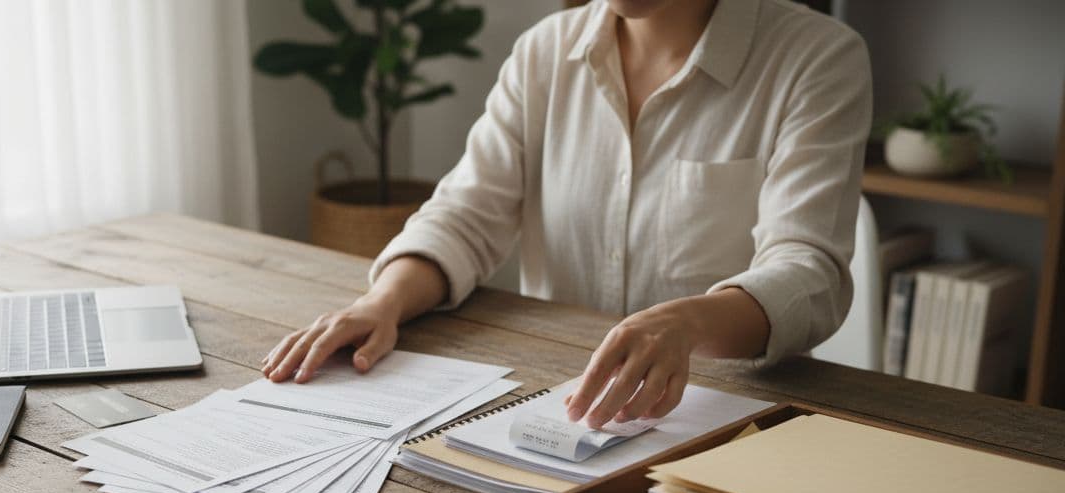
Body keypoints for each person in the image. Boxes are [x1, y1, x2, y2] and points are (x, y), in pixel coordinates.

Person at [261, 0, 871, 429]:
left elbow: (808, 268)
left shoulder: (816, 58)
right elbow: (467, 211)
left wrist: (687, 323)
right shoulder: (545, 51)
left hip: (731, 423)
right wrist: (384, 302)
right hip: (556, 414)